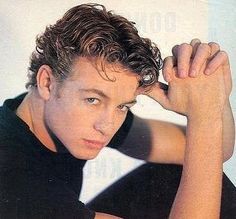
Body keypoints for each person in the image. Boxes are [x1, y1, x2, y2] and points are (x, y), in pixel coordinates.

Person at [0, 3, 235, 219]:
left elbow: (213, 152)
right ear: (47, 82)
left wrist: (213, 93)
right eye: (93, 100)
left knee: (184, 172)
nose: (107, 125)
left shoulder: (43, 114)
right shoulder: (13, 178)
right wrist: (204, 115)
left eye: (122, 105)